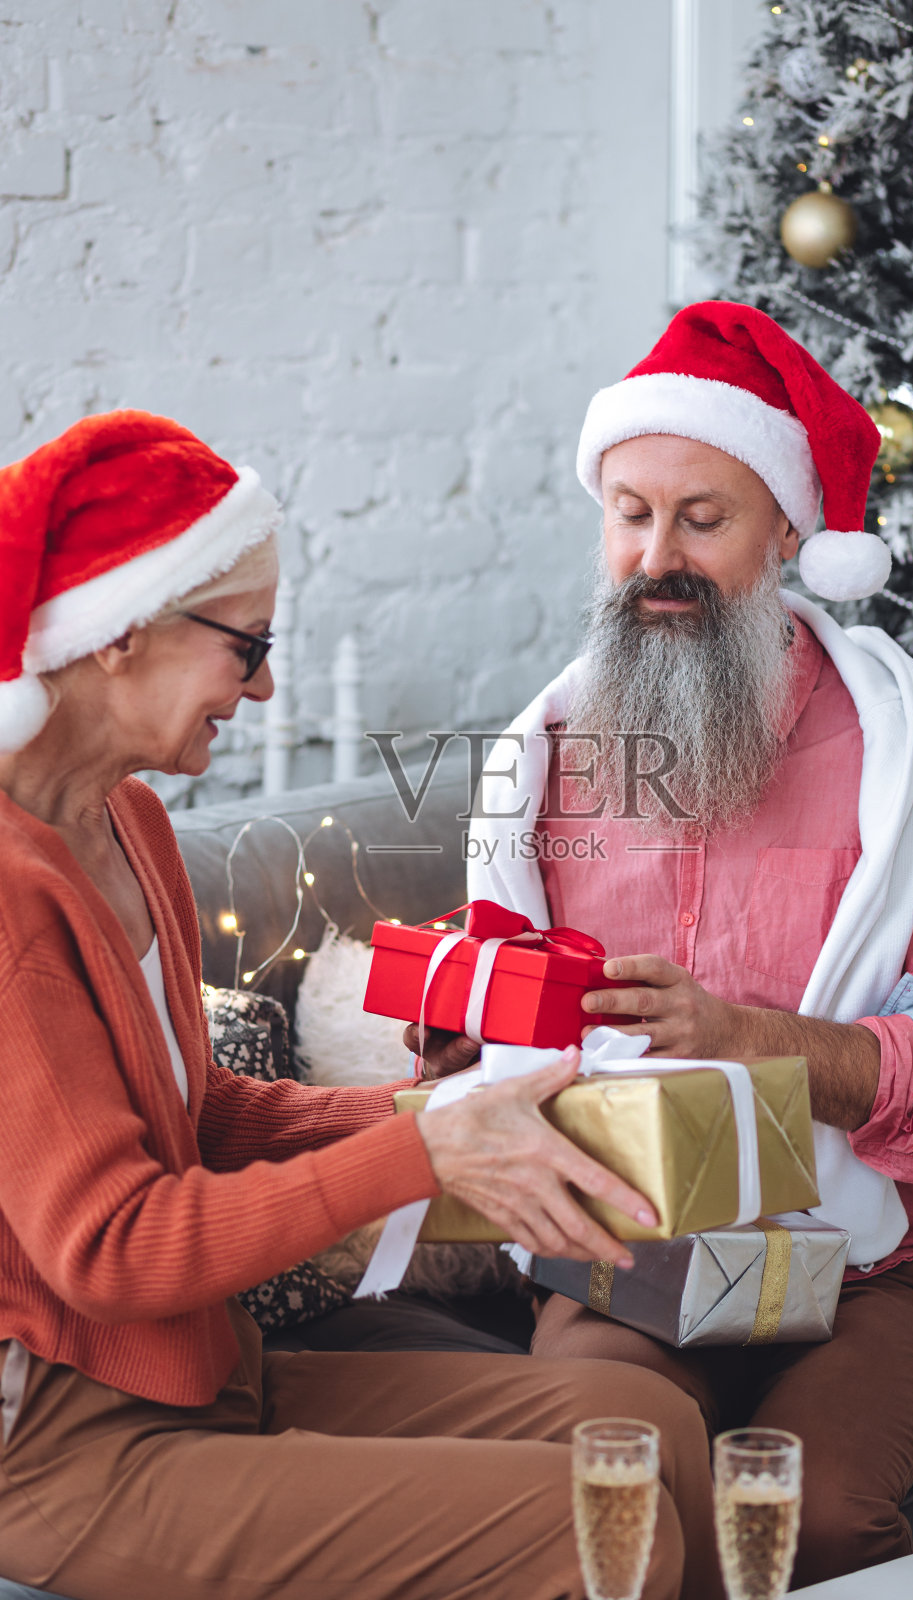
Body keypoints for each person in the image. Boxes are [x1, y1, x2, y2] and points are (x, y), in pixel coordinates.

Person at [0, 410, 716, 1600]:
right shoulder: (12, 902)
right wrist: (423, 1152)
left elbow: (203, 1112)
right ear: (119, 633)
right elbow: (114, 1250)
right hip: (60, 1441)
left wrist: (455, 1109)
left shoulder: (129, 823)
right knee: (583, 1519)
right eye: (247, 641)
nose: (268, 679)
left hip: (202, 1371)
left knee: (639, 1424)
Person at [443, 302, 913, 1592]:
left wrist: (742, 1037)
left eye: (701, 518)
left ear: (786, 536)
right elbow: (497, 1032)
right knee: (609, 1496)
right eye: (629, 514)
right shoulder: (542, 761)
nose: (656, 556)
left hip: (881, 1262)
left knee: (809, 1523)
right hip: (631, 1254)